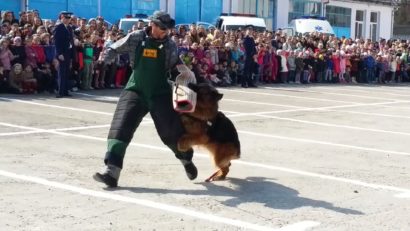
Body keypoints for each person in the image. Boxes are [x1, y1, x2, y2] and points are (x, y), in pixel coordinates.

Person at [93, 11, 197, 188]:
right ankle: (112, 171)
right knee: (120, 127)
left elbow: (174, 66)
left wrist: (185, 74)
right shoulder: (136, 37)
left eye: (167, 30)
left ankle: (186, 159)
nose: (165, 32)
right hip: (135, 89)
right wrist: (104, 59)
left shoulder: (170, 45)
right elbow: (113, 47)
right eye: (162, 29)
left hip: (159, 92)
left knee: (171, 132)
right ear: (153, 25)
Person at [54, 11, 74, 98]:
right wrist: (59, 53)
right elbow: (57, 42)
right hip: (62, 53)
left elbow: (71, 40)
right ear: (61, 18)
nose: (67, 20)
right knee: (61, 73)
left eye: (69, 18)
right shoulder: (59, 27)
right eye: (66, 18)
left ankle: (65, 91)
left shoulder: (69, 28)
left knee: (66, 72)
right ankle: (60, 91)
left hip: (68, 52)